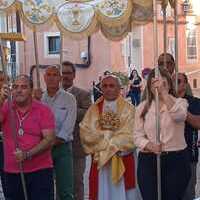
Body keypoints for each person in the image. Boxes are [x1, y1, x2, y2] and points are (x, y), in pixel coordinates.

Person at [134, 68, 191, 200]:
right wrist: (149, 145)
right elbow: (137, 136)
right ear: (150, 86)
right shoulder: (142, 108)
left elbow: (179, 116)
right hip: (149, 160)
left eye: (164, 84)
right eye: (155, 84)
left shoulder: (181, 103)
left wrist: (165, 94)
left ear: (170, 85)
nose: (159, 87)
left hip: (176, 160)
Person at [80, 74, 138, 200]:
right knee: (102, 193)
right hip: (101, 163)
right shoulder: (93, 109)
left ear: (119, 88)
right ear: (101, 89)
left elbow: (133, 134)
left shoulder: (130, 109)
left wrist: (107, 144)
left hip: (122, 158)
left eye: (112, 86)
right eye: (105, 86)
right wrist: (110, 143)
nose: (108, 89)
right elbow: (86, 133)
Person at [0, 75, 55, 200]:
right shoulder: (6, 107)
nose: (18, 90)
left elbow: (49, 139)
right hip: (12, 170)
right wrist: (0, 100)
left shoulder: (43, 110)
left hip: (39, 170)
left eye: (23, 87)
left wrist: (27, 154)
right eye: (15, 87)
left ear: (31, 90)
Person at [42, 65, 77, 200]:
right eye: (48, 75)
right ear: (44, 78)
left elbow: (68, 127)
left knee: (66, 190)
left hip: (62, 148)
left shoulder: (69, 99)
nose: (51, 78)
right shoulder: (38, 99)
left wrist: (51, 142)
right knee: (44, 188)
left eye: (54, 75)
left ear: (60, 78)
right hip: (42, 149)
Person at [62, 61, 91, 200]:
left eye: (68, 73)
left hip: (77, 148)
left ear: (74, 75)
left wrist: (69, 107)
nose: (65, 76)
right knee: (59, 184)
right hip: (56, 147)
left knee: (77, 183)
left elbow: (88, 114)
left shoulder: (83, 94)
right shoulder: (51, 95)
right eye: (63, 73)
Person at [175, 73, 200, 200]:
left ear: (185, 85)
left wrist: (180, 109)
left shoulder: (195, 102)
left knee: (188, 194)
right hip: (168, 157)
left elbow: (197, 123)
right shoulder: (162, 102)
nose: (175, 84)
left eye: (178, 81)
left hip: (189, 155)